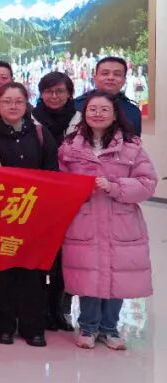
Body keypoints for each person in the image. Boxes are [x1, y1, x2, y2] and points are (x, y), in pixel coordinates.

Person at [59, 91, 157, 350]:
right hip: (85, 220)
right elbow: (60, 182)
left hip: (121, 221)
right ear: (84, 114)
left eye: (104, 109)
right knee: (88, 274)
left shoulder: (131, 146)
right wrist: (79, 189)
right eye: (92, 109)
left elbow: (147, 183)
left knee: (118, 275)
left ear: (115, 115)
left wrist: (114, 186)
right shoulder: (70, 147)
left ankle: (110, 328)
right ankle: (88, 326)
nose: (98, 114)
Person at [0, 82, 57, 347]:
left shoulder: (40, 133)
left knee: (33, 270)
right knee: (4, 271)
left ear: (26, 103)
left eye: (18, 101)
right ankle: (4, 326)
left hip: (33, 214)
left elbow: (52, 172)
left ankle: (33, 327)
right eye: (7, 101)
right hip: (0, 214)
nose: (13, 106)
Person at [32, 72, 79, 331]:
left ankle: (61, 309)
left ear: (69, 93)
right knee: (40, 255)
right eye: (49, 91)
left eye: (60, 91)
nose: (54, 96)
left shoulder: (80, 120)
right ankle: (39, 309)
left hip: (71, 198)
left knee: (66, 257)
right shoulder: (31, 119)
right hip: (38, 198)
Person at [75, 56, 142, 135]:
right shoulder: (76, 106)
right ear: (95, 78)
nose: (110, 77)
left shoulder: (133, 112)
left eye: (117, 74)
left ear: (124, 80)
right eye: (105, 73)